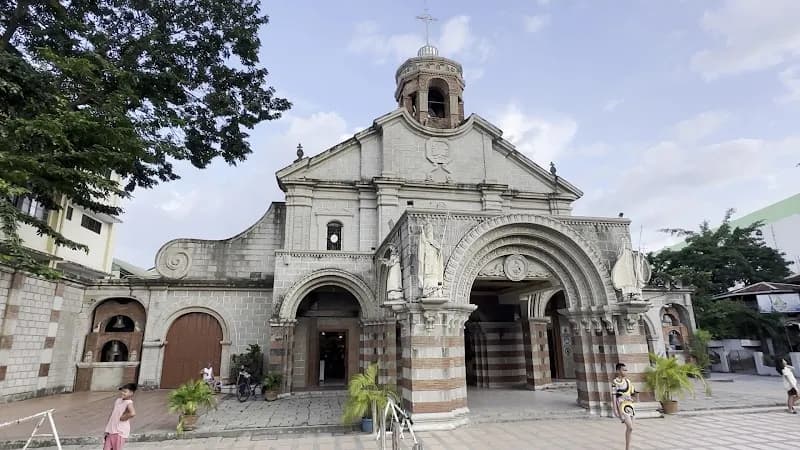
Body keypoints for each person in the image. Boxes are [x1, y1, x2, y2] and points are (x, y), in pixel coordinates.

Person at [103, 383, 137, 450]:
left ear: (131, 393)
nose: (122, 393)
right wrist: (107, 429)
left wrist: (123, 417)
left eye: (125, 392)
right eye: (122, 391)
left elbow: (132, 413)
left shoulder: (128, 402)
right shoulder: (118, 400)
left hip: (120, 432)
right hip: (111, 431)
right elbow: (113, 414)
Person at [611, 363, 635, 450]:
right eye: (623, 370)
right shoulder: (615, 382)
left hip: (630, 406)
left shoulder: (628, 381)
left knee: (630, 429)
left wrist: (631, 398)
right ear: (618, 371)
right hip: (621, 406)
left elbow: (633, 393)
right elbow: (614, 396)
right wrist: (615, 410)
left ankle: (627, 448)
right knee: (630, 426)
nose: (625, 371)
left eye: (626, 370)